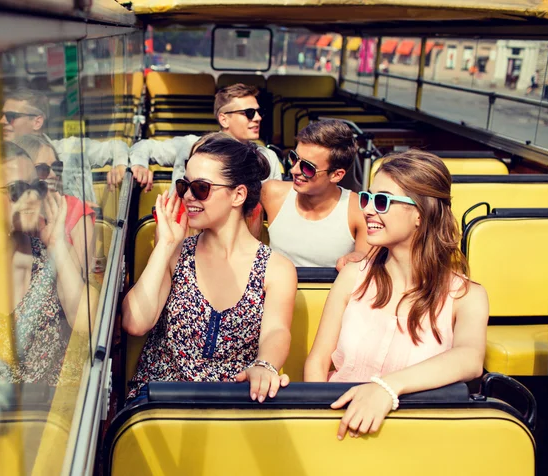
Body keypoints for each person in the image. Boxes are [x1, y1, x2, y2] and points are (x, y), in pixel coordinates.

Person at [304, 150, 488, 440]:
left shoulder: (466, 296)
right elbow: (317, 362)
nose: (367, 209)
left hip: (415, 438)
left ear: (420, 213)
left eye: (381, 201)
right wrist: (318, 424)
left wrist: (387, 388)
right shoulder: (353, 276)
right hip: (338, 426)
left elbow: (469, 358)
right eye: (366, 198)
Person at [123, 135, 297, 404]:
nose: (188, 196)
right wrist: (165, 245)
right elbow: (135, 322)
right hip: (163, 399)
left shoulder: (276, 268)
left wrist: (265, 364)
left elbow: (276, 331)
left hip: (233, 400)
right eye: (185, 186)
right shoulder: (176, 253)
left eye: (201, 188)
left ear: (238, 195)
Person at [0, 142, 96, 386]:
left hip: (48, 412)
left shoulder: (49, 255)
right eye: (18, 189)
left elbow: (87, 321)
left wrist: (57, 244)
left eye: (37, 187)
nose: (32, 197)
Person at [126, 83, 282, 193]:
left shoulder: (268, 157)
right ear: (224, 119)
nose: (258, 118)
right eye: (249, 113)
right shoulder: (191, 145)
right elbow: (144, 146)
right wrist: (139, 165)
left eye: (258, 112)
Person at [260, 120, 369, 269]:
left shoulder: (358, 210)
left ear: (336, 175)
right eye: (293, 158)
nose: (294, 170)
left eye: (308, 167)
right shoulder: (271, 193)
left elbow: (366, 258)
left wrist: (359, 258)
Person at [0, 88, 129, 203]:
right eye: (2, 115)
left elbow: (116, 147)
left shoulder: (71, 149)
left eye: (10, 116)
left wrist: (119, 166)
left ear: (37, 122)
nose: (2, 121)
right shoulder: (1, 164)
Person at [14, 134, 95, 274]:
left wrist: (58, 244)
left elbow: (83, 279)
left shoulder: (75, 210)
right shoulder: (12, 213)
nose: (52, 175)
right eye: (42, 169)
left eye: (56, 167)